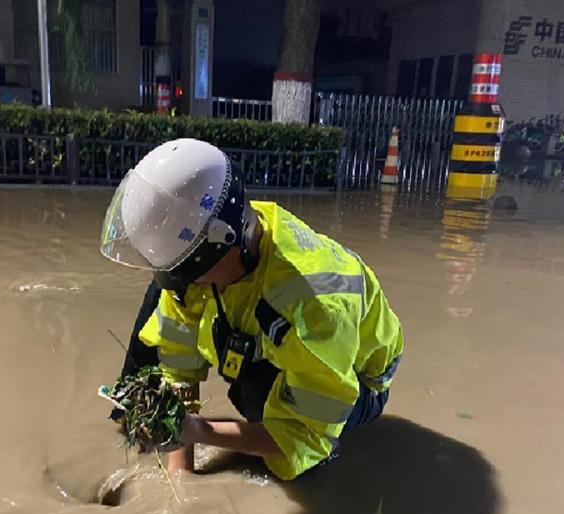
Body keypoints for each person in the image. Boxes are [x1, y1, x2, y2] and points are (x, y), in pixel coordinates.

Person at [101, 138, 403, 480]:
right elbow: (178, 364)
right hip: (266, 319)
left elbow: (305, 433)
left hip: (359, 382)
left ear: (229, 244)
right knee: (162, 294)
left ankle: (325, 452)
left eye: (186, 271)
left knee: (256, 395)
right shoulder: (203, 249)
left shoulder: (315, 308)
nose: (183, 283)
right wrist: (180, 468)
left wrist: (199, 431)